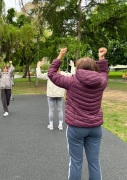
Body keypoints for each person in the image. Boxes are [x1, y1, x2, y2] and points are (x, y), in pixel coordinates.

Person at [48, 47, 108, 180]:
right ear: (94, 69)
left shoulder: (71, 81)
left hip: (76, 128)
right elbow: (104, 72)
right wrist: (102, 58)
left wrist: (59, 56)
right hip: (95, 128)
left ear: (79, 68)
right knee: (94, 162)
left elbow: (51, 74)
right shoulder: (101, 82)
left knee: (75, 162)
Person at [36, 60, 76, 130]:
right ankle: (60, 125)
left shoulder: (49, 74)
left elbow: (39, 75)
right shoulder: (62, 74)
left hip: (51, 94)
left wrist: (38, 67)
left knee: (51, 110)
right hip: (60, 94)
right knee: (60, 110)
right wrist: (73, 66)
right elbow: (72, 75)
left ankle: (51, 125)